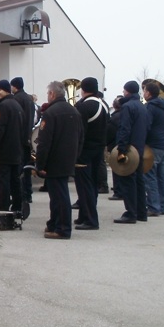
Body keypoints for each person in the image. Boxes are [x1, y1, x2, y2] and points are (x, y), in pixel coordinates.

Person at [34, 81, 83, 239]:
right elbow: (81, 137)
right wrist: (75, 156)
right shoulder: (74, 111)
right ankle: (54, 223)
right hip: (68, 159)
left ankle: (62, 228)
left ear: (52, 94)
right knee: (57, 195)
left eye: (48, 94)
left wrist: (40, 164)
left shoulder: (50, 113)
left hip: (54, 160)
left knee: (59, 197)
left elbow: (44, 142)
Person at [72, 77, 108, 230]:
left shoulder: (85, 107)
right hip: (98, 149)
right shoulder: (104, 105)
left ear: (83, 89)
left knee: (84, 186)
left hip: (84, 151)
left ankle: (91, 220)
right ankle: (84, 216)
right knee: (92, 185)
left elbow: (79, 132)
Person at [113, 81, 149, 224]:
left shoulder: (127, 107)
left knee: (128, 180)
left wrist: (121, 148)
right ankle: (141, 212)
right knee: (139, 181)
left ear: (127, 91)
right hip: (139, 147)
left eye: (124, 91)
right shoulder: (142, 106)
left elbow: (124, 128)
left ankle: (130, 213)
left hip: (129, 149)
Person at [0, 79, 25, 214]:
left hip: (6, 149)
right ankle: (17, 206)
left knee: (4, 179)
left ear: (6, 90)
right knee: (15, 179)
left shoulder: (3, 106)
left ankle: (3, 206)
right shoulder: (16, 105)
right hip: (16, 149)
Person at [142, 82, 164, 216]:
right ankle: (162, 205)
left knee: (150, 175)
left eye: (144, 91)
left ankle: (154, 207)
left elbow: (146, 126)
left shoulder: (150, 107)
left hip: (154, 145)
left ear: (148, 93)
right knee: (163, 176)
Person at [10, 77, 36, 203]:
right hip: (27, 137)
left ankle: (22, 194)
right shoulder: (29, 99)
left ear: (14, 86)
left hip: (19, 138)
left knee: (19, 168)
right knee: (27, 167)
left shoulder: (16, 99)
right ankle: (28, 193)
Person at [106, 97, 123, 200]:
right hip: (123, 145)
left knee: (116, 169)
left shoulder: (114, 118)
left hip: (115, 145)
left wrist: (106, 142)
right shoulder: (124, 115)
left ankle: (118, 191)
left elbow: (109, 133)